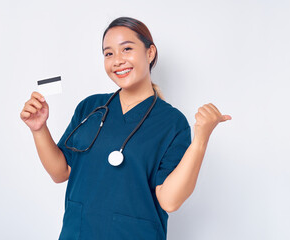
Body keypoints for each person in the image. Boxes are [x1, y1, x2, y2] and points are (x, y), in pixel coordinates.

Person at [20, 16, 231, 240]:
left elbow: (170, 201)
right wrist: (39, 129)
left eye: (127, 49)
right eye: (108, 53)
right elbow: (60, 172)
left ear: (150, 53)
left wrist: (201, 140)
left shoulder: (171, 122)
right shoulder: (91, 108)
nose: (117, 60)